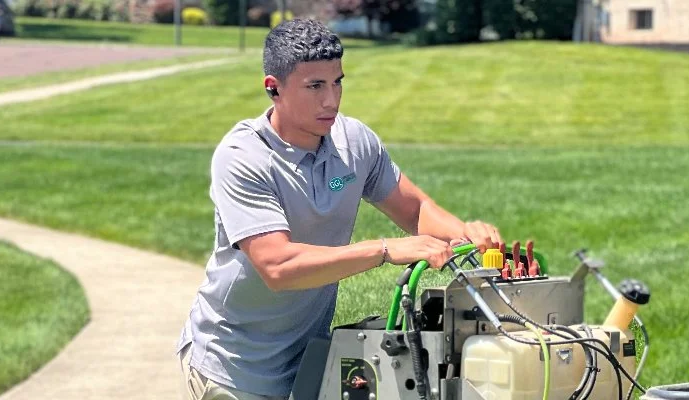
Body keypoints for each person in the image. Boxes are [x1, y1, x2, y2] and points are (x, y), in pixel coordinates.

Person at [175, 18, 505, 400]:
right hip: (234, 366)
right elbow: (277, 266)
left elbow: (415, 211)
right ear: (273, 89)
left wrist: (466, 234)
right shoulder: (243, 157)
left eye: (337, 82)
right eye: (314, 86)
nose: (331, 100)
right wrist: (382, 250)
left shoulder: (354, 141)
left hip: (308, 357)